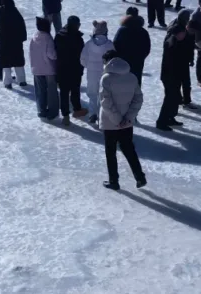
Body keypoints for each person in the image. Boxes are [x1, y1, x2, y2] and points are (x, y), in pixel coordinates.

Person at [96, 48, 149, 192]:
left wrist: (116, 119)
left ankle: (114, 181)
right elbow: (138, 99)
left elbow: (105, 102)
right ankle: (140, 177)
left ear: (108, 62)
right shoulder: (132, 77)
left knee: (110, 152)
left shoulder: (106, 78)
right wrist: (128, 118)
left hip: (110, 122)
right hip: (126, 122)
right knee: (129, 149)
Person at [157, 12, 194, 130]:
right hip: (170, 76)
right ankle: (161, 122)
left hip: (176, 75)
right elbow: (173, 62)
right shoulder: (171, 44)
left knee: (174, 98)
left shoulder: (178, 41)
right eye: (183, 33)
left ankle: (170, 117)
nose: (184, 34)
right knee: (169, 98)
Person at [81, 20, 116, 123]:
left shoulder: (89, 44)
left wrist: (88, 66)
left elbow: (82, 58)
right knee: (103, 94)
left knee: (92, 94)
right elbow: (113, 59)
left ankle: (92, 114)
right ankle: (101, 116)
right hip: (105, 73)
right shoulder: (109, 44)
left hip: (91, 73)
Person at [0, 0, 29, 87]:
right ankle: (21, 80)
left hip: (4, 41)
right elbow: (22, 24)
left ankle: (7, 82)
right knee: (18, 62)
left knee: (6, 64)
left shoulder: (0, 11)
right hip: (16, 41)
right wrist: (23, 37)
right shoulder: (15, 12)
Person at [55, 16, 86, 124]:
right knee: (75, 90)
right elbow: (82, 55)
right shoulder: (78, 38)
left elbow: (55, 52)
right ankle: (77, 109)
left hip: (62, 69)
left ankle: (65, 116)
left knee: (64, 92)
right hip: (75, 69)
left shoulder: (59, 36)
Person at [29, 16, 61, 120]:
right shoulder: (48, 38)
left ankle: (41, 110)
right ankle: (52, 112)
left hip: (36, 68)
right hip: (48, 69)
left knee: (40, 91)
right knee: (52, 91)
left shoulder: (34, 37)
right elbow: (51, 54)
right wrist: (58, 55)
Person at [113, 8, 151, 85]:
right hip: (138, 62)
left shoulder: (122, 30)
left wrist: (119, 57)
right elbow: (147, 48)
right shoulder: (143, 31)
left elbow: (115, 45)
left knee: (122, 84)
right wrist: (141, 57)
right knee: (135, 83)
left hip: (123, 62)